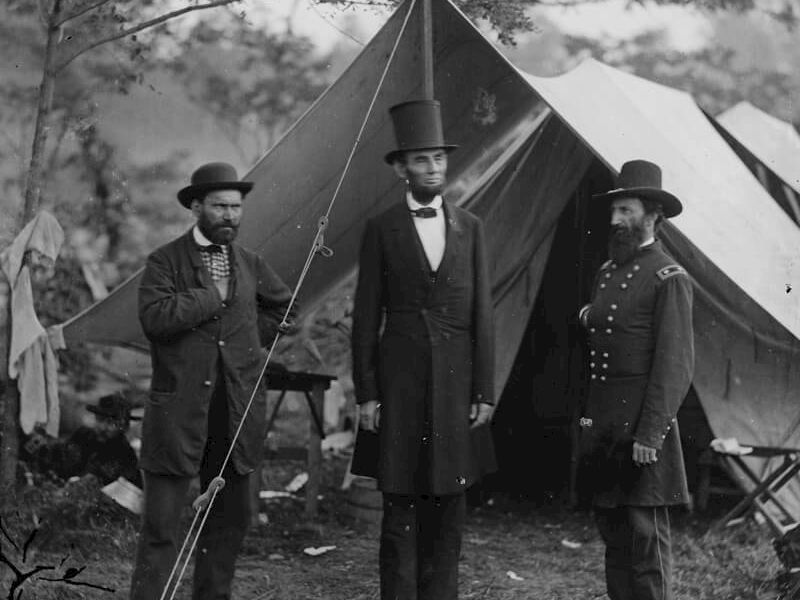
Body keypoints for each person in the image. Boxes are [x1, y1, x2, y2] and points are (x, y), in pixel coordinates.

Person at [129, 162, 294, 600]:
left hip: (233, 415)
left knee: (226, 524)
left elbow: (285, 309)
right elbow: (154, 319)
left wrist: (245, 340)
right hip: (178, 415)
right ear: (197, 206)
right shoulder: (164, 260)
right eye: (220, 206)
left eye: (236, 208)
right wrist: (212, 296)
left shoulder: (251, 262)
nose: (230, 216)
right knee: (162, 527)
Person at [351, 99, 495, 600]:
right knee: (400, 511)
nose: (433, 169)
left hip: (457, 389)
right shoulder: (381, 230)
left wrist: (485, 390)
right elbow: (366, 318)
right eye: (420, 160)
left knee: (449, 511)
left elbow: (484, 317)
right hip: (400, 384)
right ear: (400, 168)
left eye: (438, 158)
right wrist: (366, 394)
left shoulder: (471, 228)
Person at [578, 159, 694, 600]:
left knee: (646, 545)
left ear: (652, 215)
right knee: (613, 538)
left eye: (626, 210)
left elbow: (675, 365)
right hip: (604, 427)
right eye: (614, 211)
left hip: (642, 431)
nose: (615, 220)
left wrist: (651, 433)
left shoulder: (670, 278)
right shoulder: (607, 272)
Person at [21, 392, 141, 487]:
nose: (103, 427)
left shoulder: (125, 455)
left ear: (124, 427)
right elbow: (61, 457)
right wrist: (39, 446)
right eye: (100, 420)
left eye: (111, 423)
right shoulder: (84, 435)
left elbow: (103, 482)